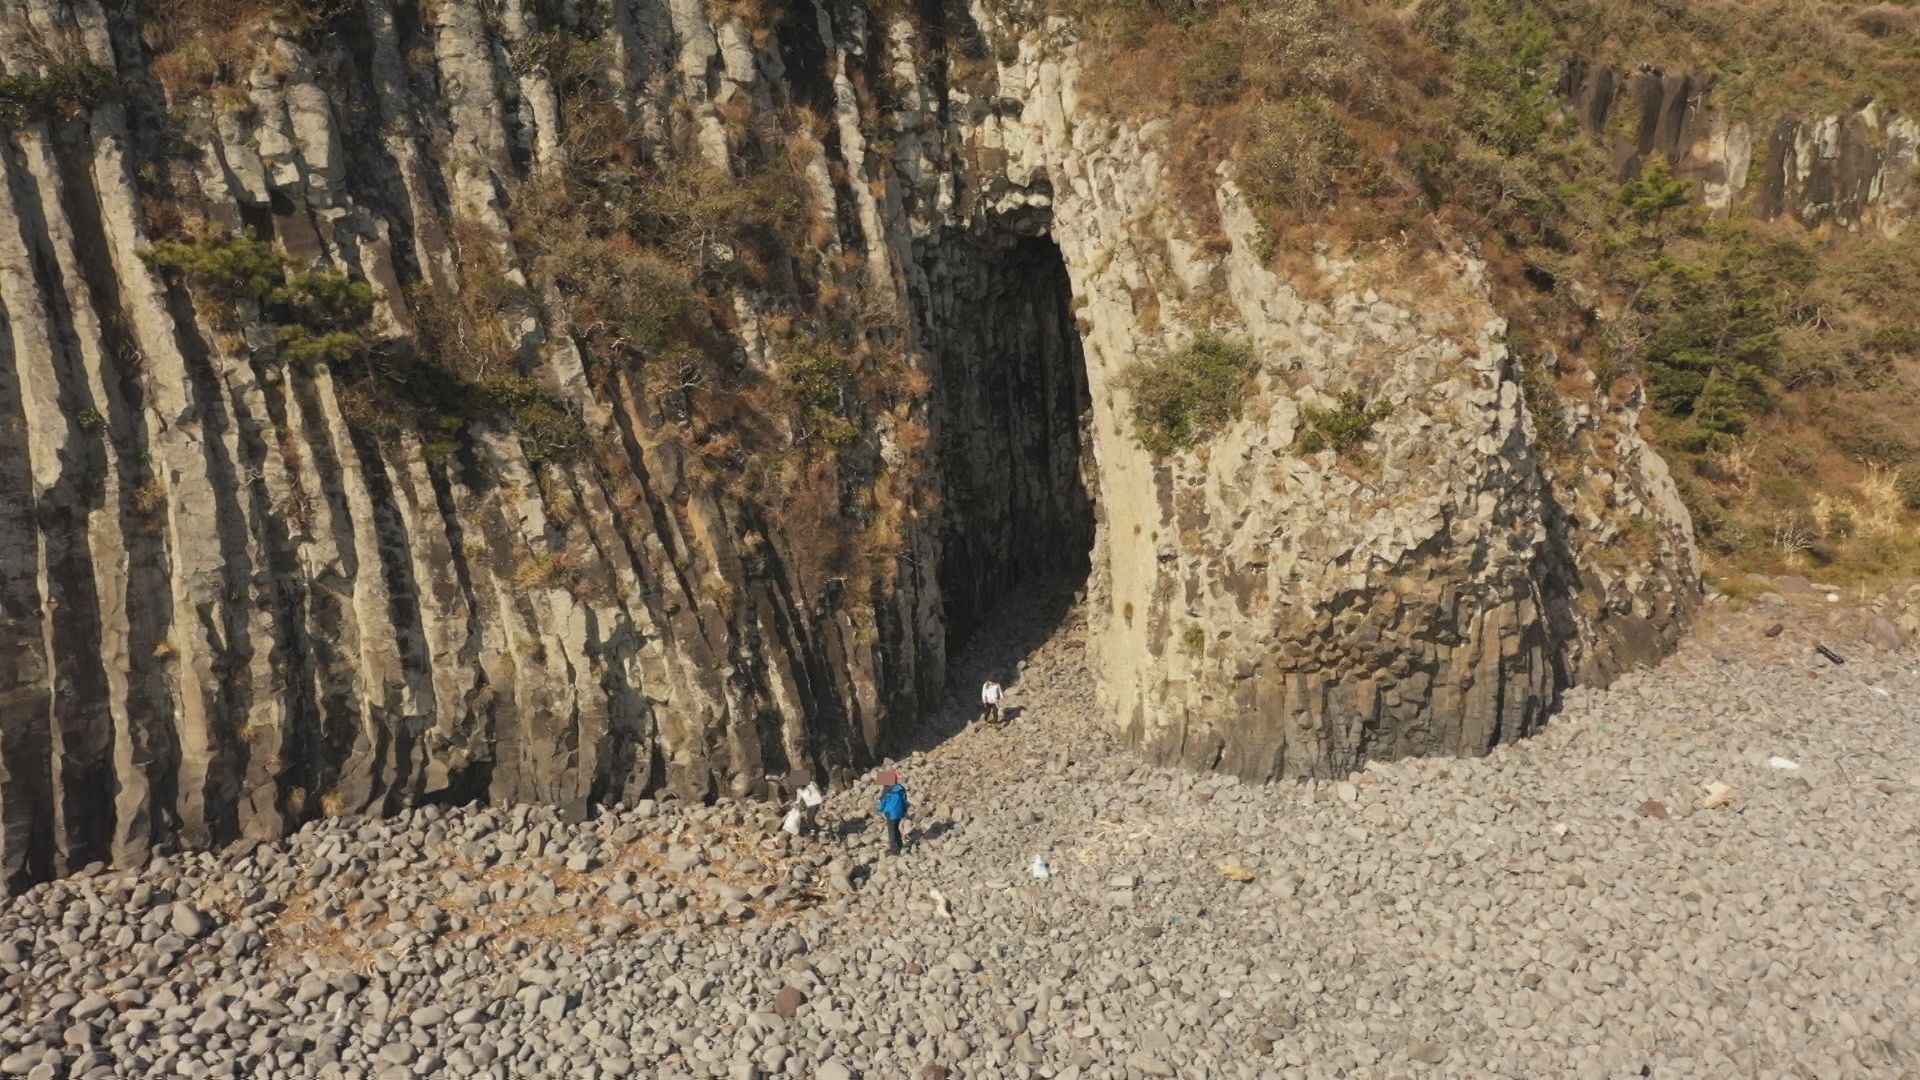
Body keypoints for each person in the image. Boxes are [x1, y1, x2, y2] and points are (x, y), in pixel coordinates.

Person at [876, 769, 909, 854]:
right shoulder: (901, 788)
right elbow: (905, 800)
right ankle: (900, 845)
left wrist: (879, 809)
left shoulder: (887, 789)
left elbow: (883, 801)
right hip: (899, 812)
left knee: (891, 831)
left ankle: (894, 851)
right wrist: (904, 810)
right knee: (896, 829)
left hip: (890, 813)